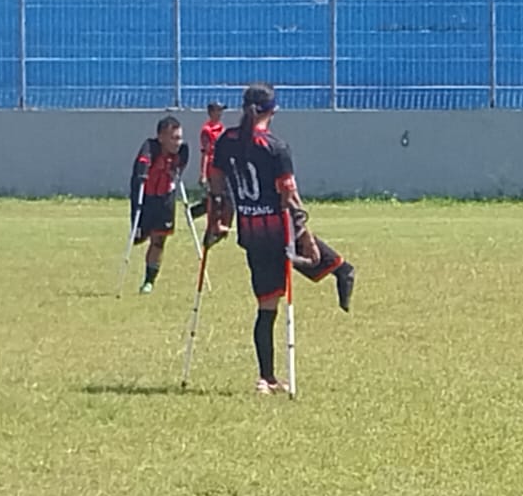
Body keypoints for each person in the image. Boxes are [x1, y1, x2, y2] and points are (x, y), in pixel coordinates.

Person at [206, 82, 356, 394]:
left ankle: (266, 378)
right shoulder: (275, 147)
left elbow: (217, 184)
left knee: (266, 306)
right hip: (277, 228)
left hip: (251, 230)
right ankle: (340, 268)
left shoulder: (225, 141)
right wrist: (306, 233)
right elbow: (289, 195)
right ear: (272, 110)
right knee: (301, 259)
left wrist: (218, 220)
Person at [129, 115, 189, 294]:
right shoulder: (150, 148)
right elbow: (141, 167)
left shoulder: (181, 152)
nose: (177, 142)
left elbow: (179, 168)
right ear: (161, 137)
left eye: (179, 137)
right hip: (147, 199)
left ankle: (149, 281)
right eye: (173, 138)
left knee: (159, 241)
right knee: (141, 238)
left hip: (165, 199)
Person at [188, 101, 228, 222]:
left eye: (221, 110)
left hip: (222, 166)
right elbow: (205, 152)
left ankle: (197, 211)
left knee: (222, 196)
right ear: (211, 113)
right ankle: (209, 219)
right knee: (216, 196)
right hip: (212, 166)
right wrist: (203, 173)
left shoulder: (222, 128)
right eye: (218, 110)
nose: (220, 113)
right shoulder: (207, 130)